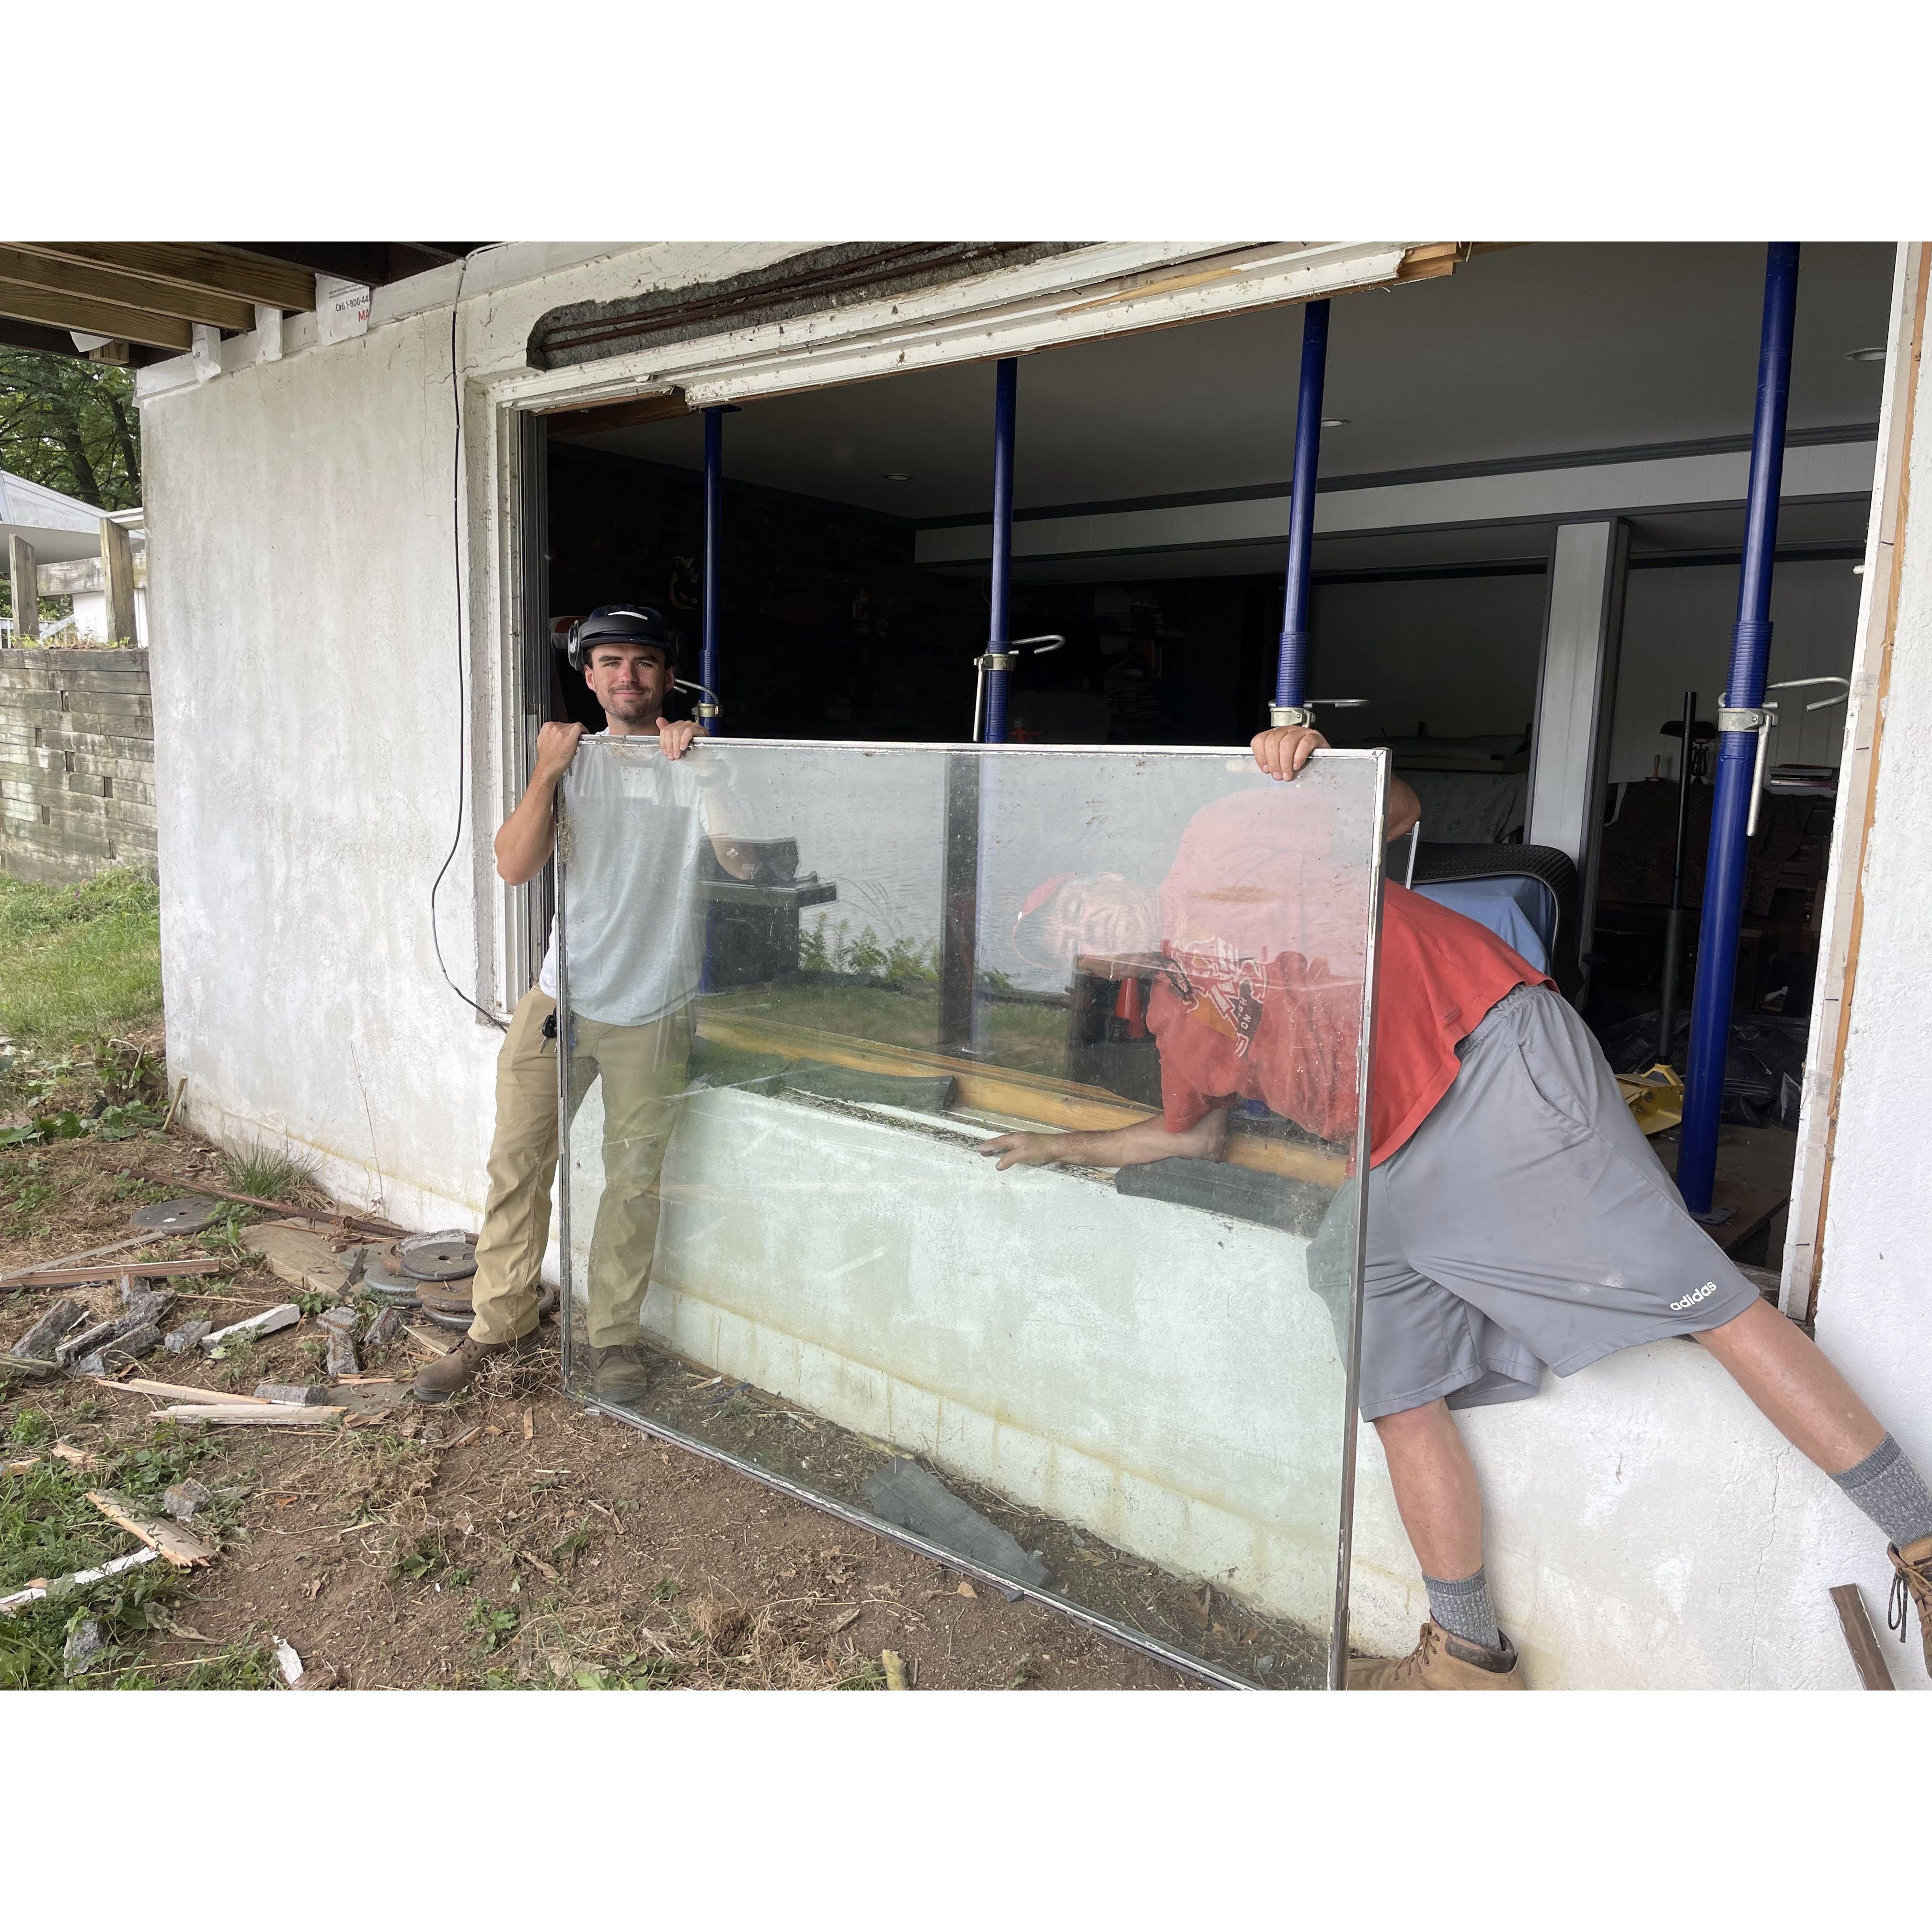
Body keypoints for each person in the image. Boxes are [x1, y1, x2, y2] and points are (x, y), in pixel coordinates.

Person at [981, 724, 1932, 1689]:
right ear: (1091, 974)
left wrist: (1309, 757)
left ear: (1108, 879)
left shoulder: (1222, 839)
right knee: (1390, 1379)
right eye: (1064, 944)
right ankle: (1470, 1658)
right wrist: (1054, 1146)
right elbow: (1186, 1138)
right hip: (1392, 1154)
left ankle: (1924, 1549)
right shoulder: (1175, 1026)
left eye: (1076, 905)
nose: (1082, 930)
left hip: (1484, 1060)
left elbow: (1397, 810)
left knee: (1710, 1305)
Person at [415, 604, 746, 1406]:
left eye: (642, 661)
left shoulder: (696, 761)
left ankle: (614, 1341)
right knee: (520, 1164)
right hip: (561, 999)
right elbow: (514, 867)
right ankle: (499, 1326)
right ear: (588, 676)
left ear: (667, 677)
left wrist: (709, 778)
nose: (626, 676)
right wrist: (545, 773)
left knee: (634, 1180)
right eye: (610, 662)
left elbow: (741, 864)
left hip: (654, 1009)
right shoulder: (570, 759)